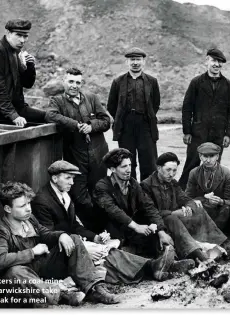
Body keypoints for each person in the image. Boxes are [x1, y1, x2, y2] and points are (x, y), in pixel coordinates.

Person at [32, 160, 180, 283]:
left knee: (108, 249)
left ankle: (155, 267)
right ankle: (152, 267)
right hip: (57, 253)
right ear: (55, 178)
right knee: (106, 256)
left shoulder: (64, 194)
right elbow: (48, 236)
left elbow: (74, 226)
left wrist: (94, 237)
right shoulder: (43, 201)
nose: (72, 182)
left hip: (72, 243)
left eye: (73, 178)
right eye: (68, 178)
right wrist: (81, 248)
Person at [0, 181, 120, 307]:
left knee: (72, 238)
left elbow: (45, 233)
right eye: (22, 206)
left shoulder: (29, 219)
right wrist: (33, 252)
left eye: (28, 203)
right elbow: (0, 259)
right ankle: (62, 295)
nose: (28, 209)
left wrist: (61, 235)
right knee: (14, 272)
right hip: (23, 277)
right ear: (7, 208)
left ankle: (94, 289)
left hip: (40, 267)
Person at [92, 148, 195, 272]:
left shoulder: (133, 183)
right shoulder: (102, 186)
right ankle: (162, 266)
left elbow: (148, 206)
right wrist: (136, 226)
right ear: (113, 169)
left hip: (130, 230)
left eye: (130, 165)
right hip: (112, 231)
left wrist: (161, 231)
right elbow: (114, 211)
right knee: (124, 254)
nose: (129, 169)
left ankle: (175, 260)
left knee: (159, 230)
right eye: (124, 166)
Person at [141, 152, 230, 261]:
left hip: (173, 220)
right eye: (168, 170)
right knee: (172, 218)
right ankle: (197, 254)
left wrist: (189, 206)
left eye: (174, 170)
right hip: (157, 226)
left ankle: (223, 245)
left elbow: (185, 198)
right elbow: (150, 212)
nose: (172, 174)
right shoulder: (146, 185)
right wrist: (174, 213)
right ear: (159, 168)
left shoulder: (172, 182)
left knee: (198, 208)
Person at [45, 67, 110, 226]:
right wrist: (75, 124)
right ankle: (90, 229)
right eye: (71, 82)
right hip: (75, 156)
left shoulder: (92, 98)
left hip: (98, 155)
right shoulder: (57, 100)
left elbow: (106, 121)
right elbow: (50, 115)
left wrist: (91, 126)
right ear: (64, 82)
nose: (74, 85)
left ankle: (104, 229)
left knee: (100, 192)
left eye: (78, 82)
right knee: (79, 196)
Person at [178, 48, 230, 190]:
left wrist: (228, 134)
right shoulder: (196, 82)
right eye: (214, 60)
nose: (216, 64)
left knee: (214, 168)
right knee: (191, 166)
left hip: (218, 135)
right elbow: (187, 108)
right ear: (207, 61)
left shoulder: (228, 85)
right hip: (197, 134)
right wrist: (187, 131)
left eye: (219, 62)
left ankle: (212, 197)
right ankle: (181, 196)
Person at [106, 47, 160, 181]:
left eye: (138, 59)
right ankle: (130, 192)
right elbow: (111, 106)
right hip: (125, 127)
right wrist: (122, 118)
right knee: (127, 162)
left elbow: (155, 104)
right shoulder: (118, 82)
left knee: (148, 161)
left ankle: (147, 192)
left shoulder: (152, 81)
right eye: (132, 60)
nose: (135, 62)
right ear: (127, 62)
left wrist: (145, 117)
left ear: (143, 62)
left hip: (146, 126)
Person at [0, 19, 46, 126]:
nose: (22, 40)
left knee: (52, 117)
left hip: (17, 108)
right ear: (8, 33)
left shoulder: (16, 51)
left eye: (25, 36)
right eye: (18, 35)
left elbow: (27, 84)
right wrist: (13, 115)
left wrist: (30, 66)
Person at [185, 142, 230, 233]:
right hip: (202, 209)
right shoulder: (194, 173)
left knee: (226, 209)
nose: (208, 160)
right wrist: (200, 199)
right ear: (200, 156)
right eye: (205, 156)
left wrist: (221, 201)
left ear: (217, 156)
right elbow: (188, 196)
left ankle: (215, 234)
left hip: (220, 212)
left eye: (211, 156)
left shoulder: (226, 173)